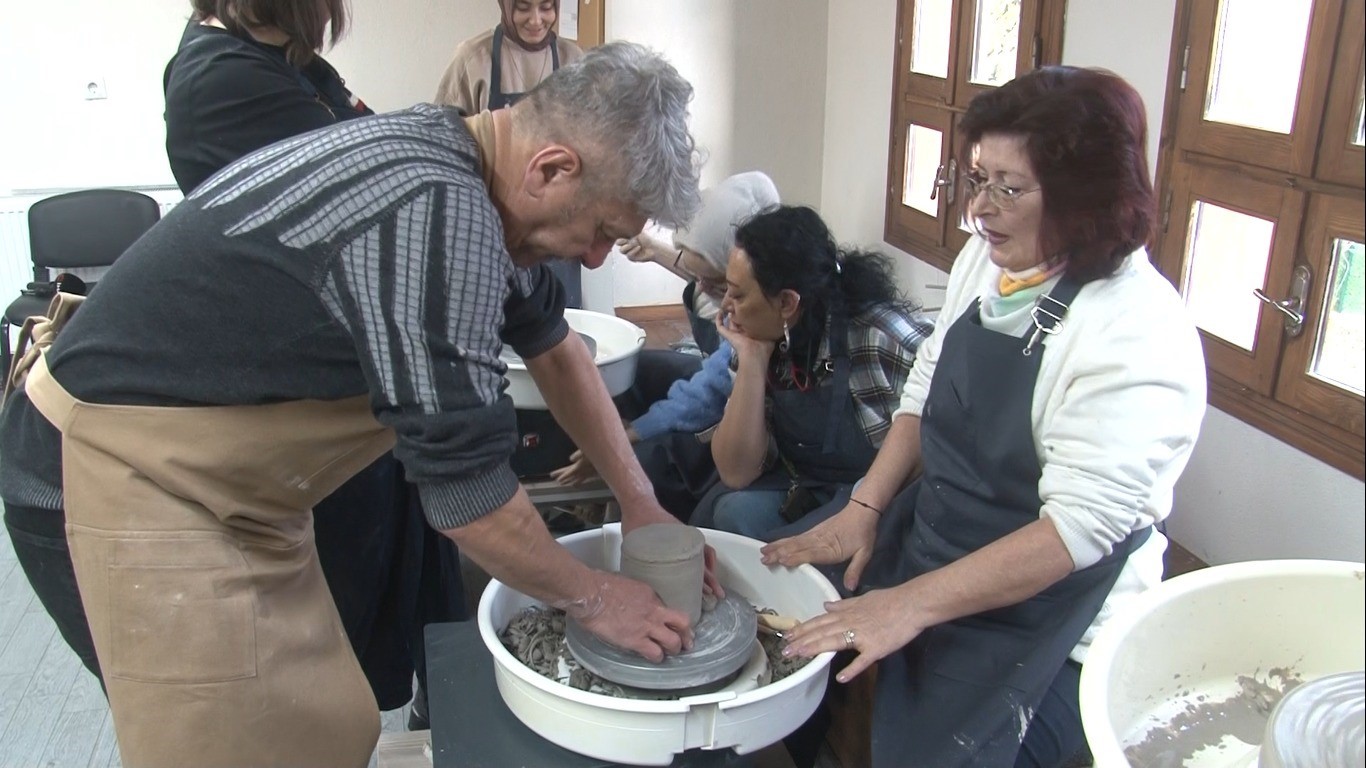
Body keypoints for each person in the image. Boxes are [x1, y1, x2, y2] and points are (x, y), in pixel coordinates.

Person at [0, 41, 712, 767]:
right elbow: (471, 502)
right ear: (553, 168)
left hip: (233, 487)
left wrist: (639, 501)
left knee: (326, 722)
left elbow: (557, 350)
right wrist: (595, 596)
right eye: (603, 233)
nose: (595, 259)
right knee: (239, 748)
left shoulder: (468, 161)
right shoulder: (438, 214)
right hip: (112, 469)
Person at [761, 67, 1208, 768]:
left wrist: (907, 605)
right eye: (978, 179)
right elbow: (930, 380)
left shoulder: (1138, 332)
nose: (982, 210)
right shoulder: (990, 258)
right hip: (942, 530)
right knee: (782, 620)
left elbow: (1072, 534)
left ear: (1088, 196)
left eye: (1010, 188)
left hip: (1054, 612)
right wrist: (866, 506)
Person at [689, 205, 933, 541]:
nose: (726, 306)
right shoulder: (759, 331)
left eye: (738, 293)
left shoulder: (879, 336)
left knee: (782, 552)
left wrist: (868, 505)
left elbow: (950, 430)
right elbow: (735, 471)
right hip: (809, 483)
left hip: (882, 498)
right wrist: (752, 361)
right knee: (719, 517)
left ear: (787, 303)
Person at [551, 171, 781, 520]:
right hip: (719, 369)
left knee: (650, 457)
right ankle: (591, 492)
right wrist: (658, 252)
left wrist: (630, 435)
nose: (703, 289)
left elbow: (708, 390)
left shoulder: (760, 315)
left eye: (717, 284)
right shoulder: (732, 282)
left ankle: (629, 505)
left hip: (738, 403)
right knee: (634, 369)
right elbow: (701, 268)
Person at [434, 0, 583, 115]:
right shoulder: (472, 59)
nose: (536, 20)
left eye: (546, 7)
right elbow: (441, 138)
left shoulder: (574, 59)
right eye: (523, 7)